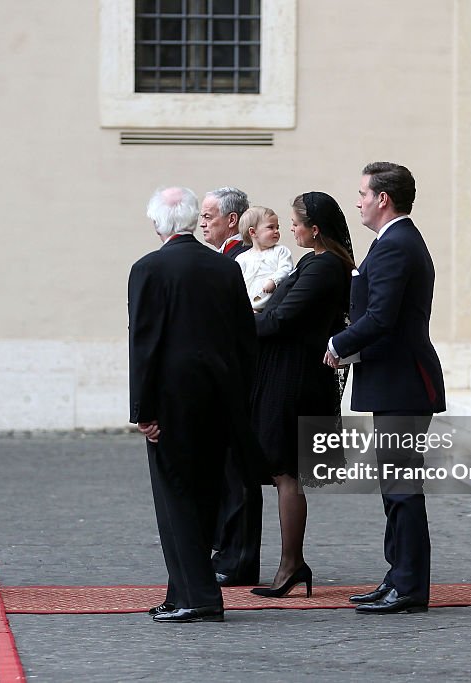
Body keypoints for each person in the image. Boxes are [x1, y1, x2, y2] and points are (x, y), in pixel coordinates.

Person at [128, 186, 257, 623]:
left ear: (157, 224)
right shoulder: (225, 267)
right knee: (205, 496)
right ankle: (181, 588)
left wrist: (142, 410)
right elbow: (244, 340)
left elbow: (144, 345)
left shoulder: (148, 269)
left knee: (175, 498)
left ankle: (198, 595)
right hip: (219, 400)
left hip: (170, 404)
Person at [326, 162, 445, 615]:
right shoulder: (391, 242)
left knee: (401, 487)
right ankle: (398, 576)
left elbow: (381, 317)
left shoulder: (396, 244)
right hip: (395, 380)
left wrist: (338, 343)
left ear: (383, 199)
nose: (357, 201)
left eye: (362, 193)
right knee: (394, 486)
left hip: (403, 382)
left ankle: (410, 586)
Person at [249, 192, 353, 598]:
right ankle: (292, 563)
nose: (290, 229)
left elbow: (281, 316)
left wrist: (238, 321)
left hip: (296, 377)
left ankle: (292, 564)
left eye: (295, 223)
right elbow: (275, 309)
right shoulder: (313, 261)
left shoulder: (326, 267)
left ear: (315, 228)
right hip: (286, 371)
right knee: (282, 471)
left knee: (287, 470)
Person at [201, 186, 262, 586]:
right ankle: (226, 550)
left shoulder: (243, 259)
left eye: (209, 215)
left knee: (238, 473)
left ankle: (237, 558)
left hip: (238, 379)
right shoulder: (226, 257)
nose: (203, 221)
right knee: (223, 473)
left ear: (233, 221)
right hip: (225, 377)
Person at [235, 206, 294, 312]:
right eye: (271, 227)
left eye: (277, 227)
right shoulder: (242, 258)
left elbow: (287, 269)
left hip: (274, 306)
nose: (276, 231)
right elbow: (238, 282)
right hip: (249, 307)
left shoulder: (280, 251)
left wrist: (274, 280)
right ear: (253, 232)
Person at [200, 186, 251, 259]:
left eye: (207, 217)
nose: (202, 224)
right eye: (202, 217)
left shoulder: (245, 256)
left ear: (232, 220)